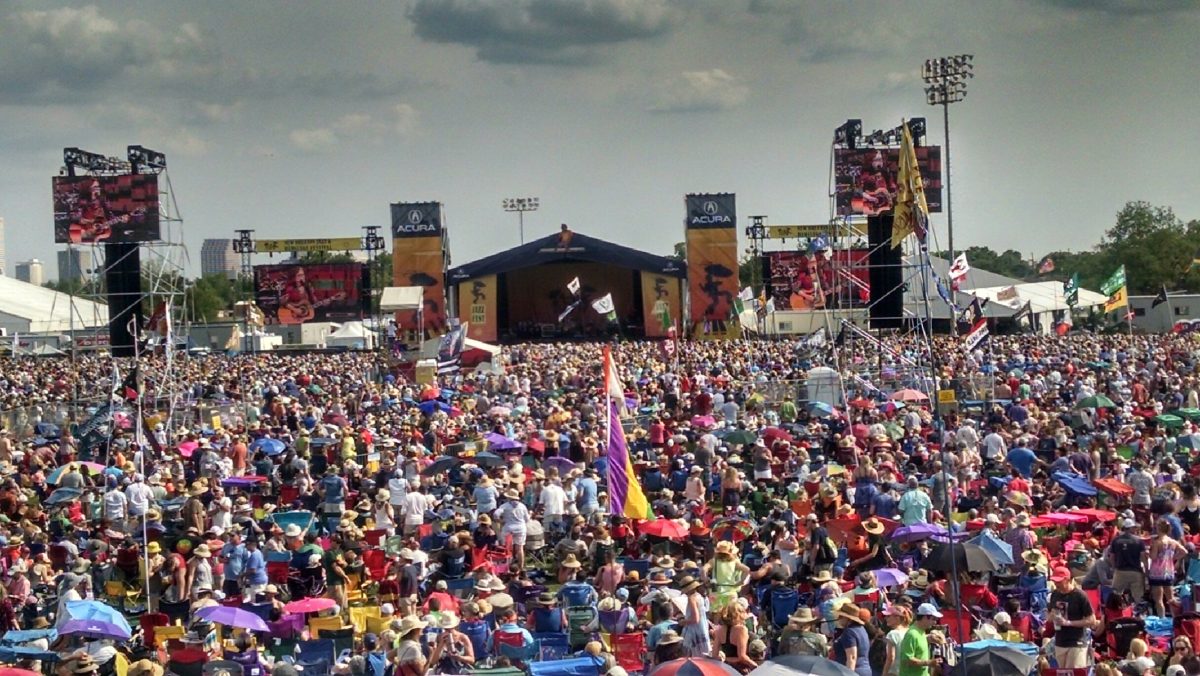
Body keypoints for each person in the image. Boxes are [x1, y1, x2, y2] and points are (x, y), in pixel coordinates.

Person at [1047, 565, 1096, 669]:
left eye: (1059, 581)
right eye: (1055, 581)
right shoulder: (1055, 594)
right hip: (1060, 641)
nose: (1056, 584)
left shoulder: (1080, 595)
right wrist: (1052, 617)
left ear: (1067, 580)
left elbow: (1092, 620)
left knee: (1074, 672)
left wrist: (1069, 623)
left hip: (1076, 641)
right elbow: (1049, 615)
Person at [899, 603, 942, 676]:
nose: (935, 622)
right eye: (933, 619)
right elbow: (907, 660)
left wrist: (928, 638)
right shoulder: (912, 634)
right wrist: (929, 663)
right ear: (925, 617)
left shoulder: (921, 631)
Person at [833, 603, 872, 676]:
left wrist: (849, 674)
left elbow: (852, 657)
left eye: (841, 616)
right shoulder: (861, 629)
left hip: (854, 671)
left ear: (848, 618)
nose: (838, 618)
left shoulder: (849, 632)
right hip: (865, 670)